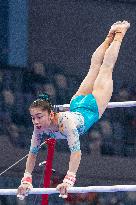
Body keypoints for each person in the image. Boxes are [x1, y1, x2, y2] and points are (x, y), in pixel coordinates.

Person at [17, 21, 130, 199]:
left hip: (92, 106)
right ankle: (109, 35)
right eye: (33, 118)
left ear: (51, 114)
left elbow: (76, 152)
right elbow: (32, 154)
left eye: (39, 117)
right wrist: (26, 179)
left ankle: (119, 35)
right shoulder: (38, 128)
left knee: (105, 69)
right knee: (93, 68)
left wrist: (69, 180)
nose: (36, 122)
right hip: (77, 104)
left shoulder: (66, 123)